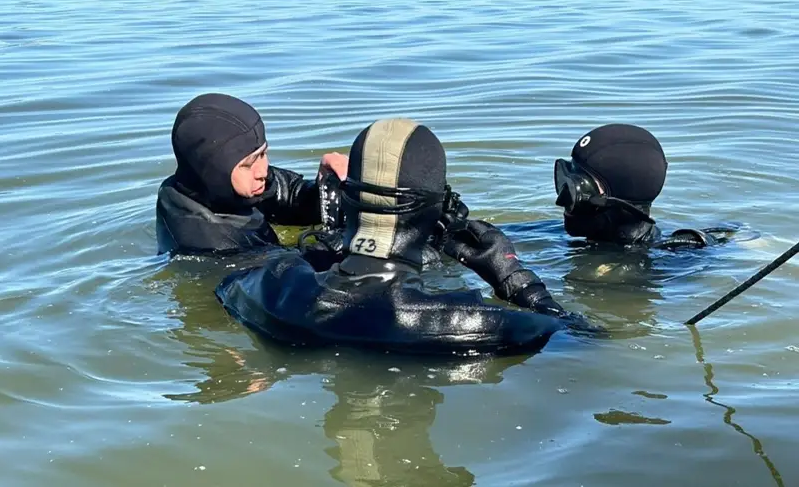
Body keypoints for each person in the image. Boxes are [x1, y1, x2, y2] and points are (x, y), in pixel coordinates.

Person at [215, 117, 599, 357]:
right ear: (433, 211)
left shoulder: (265, 285)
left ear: (347, 199)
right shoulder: (489, 324)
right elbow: (583, 339)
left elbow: (233, 285)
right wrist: (516, 280)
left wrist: (335, 245)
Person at [155, 92, 349, 256]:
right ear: (213, 170)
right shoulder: (209, 241)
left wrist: (328, 188)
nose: (262, 171)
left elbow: (289, 196)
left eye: (263, 154)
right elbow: (281, 281)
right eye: (248, 164)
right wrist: (340, 244)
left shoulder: (218, 185)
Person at [551, 123, 743, 250]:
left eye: (577, 188)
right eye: (564, 182)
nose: (562, 200)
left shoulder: (671, 258)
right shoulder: (550, 235)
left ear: (619, 200)